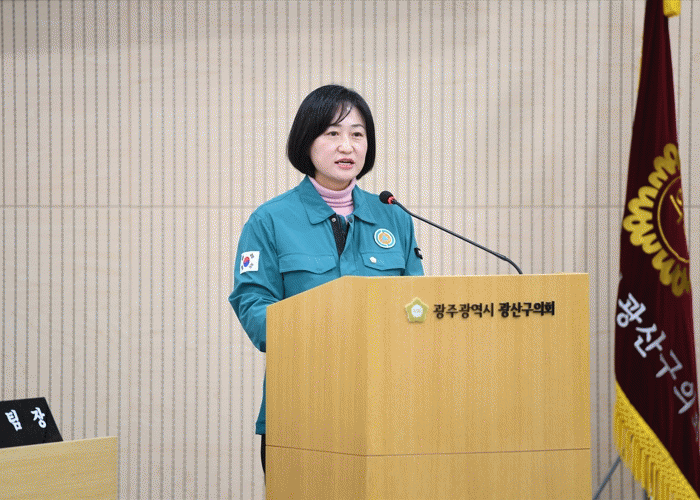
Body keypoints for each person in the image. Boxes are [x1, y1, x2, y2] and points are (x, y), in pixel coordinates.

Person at [229, 84, 424, 474]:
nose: (347, 146)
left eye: (357, 134)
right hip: (302, 407)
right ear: (307, 141)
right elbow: (253, 307)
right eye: (333, 133)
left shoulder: (394, 216)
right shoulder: (270, 220)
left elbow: (416, 306)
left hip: (386, 406)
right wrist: (323, 329)